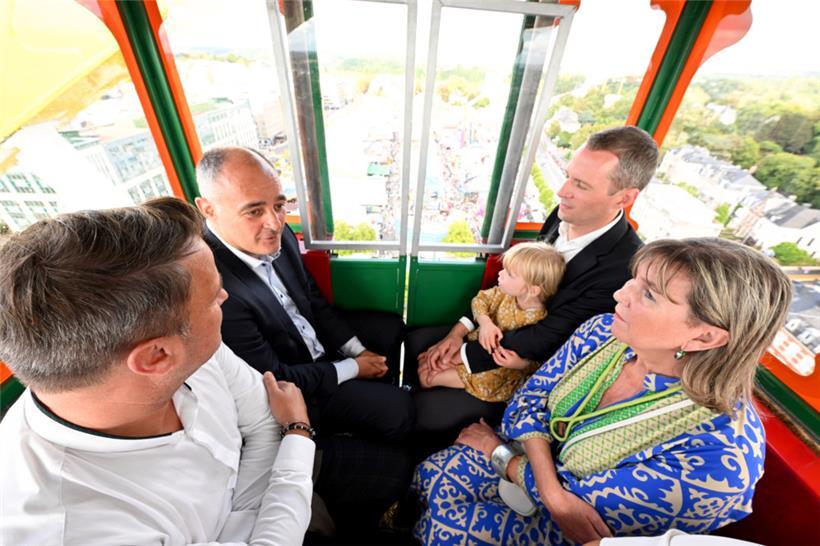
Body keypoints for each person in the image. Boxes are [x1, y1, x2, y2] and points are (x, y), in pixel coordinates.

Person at [412, 237, 792, 545]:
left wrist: (501, 455)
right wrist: (552, 489)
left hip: (558, 530)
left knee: (447, 530)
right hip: (525, 458)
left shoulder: (716, 463)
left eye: (649, 295)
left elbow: (579, 516)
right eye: (634, 280)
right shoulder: (601, 331)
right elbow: (527, 400)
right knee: (432, 473)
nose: (620, 294)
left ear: (704, 336)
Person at [0, 198, 314, 545]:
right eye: (212, 298)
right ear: (156, 356)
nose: (225, 296)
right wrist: (298, 435)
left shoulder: (191, 347)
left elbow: (262, 422)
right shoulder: (73, 529)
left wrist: (245, 521)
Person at [194, 146, 414, 535]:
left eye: (279, 205)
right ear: (208, 208)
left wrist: (356, 350)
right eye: (254, 210)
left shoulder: (280, 237)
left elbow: (312, 302)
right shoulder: (217, 288)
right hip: (296, 388)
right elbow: (276, 377)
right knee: (400, 412)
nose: (274, 222)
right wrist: (351, 369)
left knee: (391, 329)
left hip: (317, 352)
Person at [409, 126, 658, 443]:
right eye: (568, 176)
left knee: (424, 407)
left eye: (580, 185)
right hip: (498, 328)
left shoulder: (621, 269)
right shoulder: (562, 215)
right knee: (417, 344)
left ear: (625, 197)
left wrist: (464, 355)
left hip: (523, 368)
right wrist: (458, 331)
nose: (562, 191)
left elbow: (548, 337)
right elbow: (512, 284)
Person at [419, 241, 565, 403]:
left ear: (532, 290)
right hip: (471, 348)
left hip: (494, 375)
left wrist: (521, 365)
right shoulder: (504, 293)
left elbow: (542, 362)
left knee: (426, 377)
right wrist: (486, 323)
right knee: (425, 360)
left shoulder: (540, 324)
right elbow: (480, 300)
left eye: (509, 273)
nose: (500, 274)